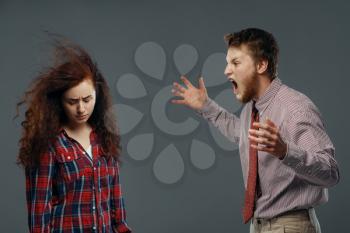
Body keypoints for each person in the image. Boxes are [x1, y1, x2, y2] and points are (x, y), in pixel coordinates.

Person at [171, 28, 339, 233]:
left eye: (235, 62)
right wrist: (206, 106)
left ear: (261, 65)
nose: (226, 70)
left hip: (291, 226)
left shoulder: (295, 107)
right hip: (258, 225)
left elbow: (330, 172)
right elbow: (239, 134)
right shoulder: (252, 109)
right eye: (227, 62)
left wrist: (285, 151)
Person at [16, 39, 131, 233]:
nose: (81, 109)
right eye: (72, 101)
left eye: (87, 99)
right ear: (59, 101)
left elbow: (117, 214)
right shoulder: (50, 144)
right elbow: (39, 216)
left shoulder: (105, 138)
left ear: (97, 95)